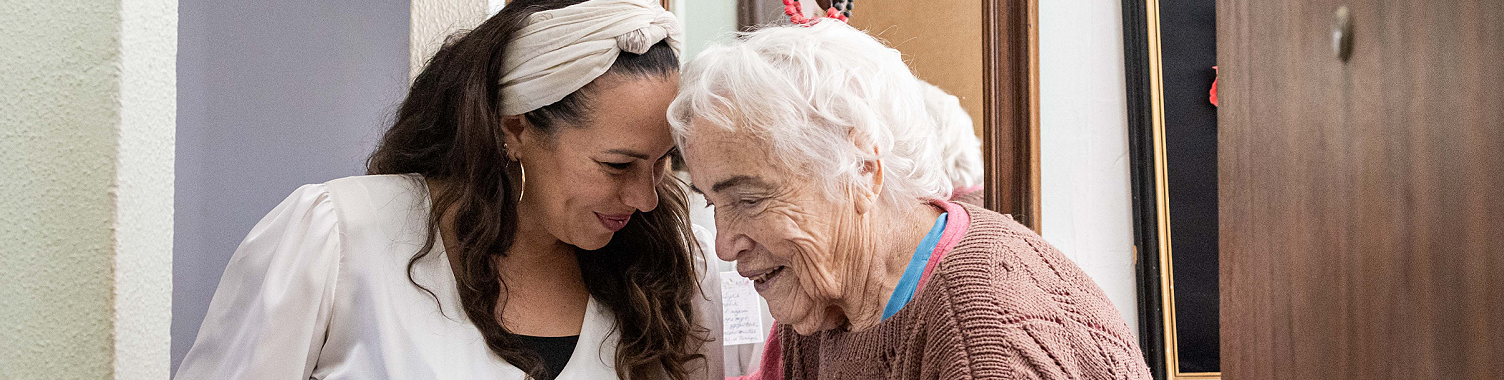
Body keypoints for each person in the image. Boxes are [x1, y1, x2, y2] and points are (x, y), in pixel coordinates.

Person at [176, 0, 715, 378]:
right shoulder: (337, 238)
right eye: (617, 165)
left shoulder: (661, 267)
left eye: (664, 162)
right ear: (515, 129)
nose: (646, 198)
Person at [669, 21, 1152, 379]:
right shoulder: (824, 296)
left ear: (862, 170)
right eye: (713, 203)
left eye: (750, 200)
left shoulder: (987, 348)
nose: (725, 247)